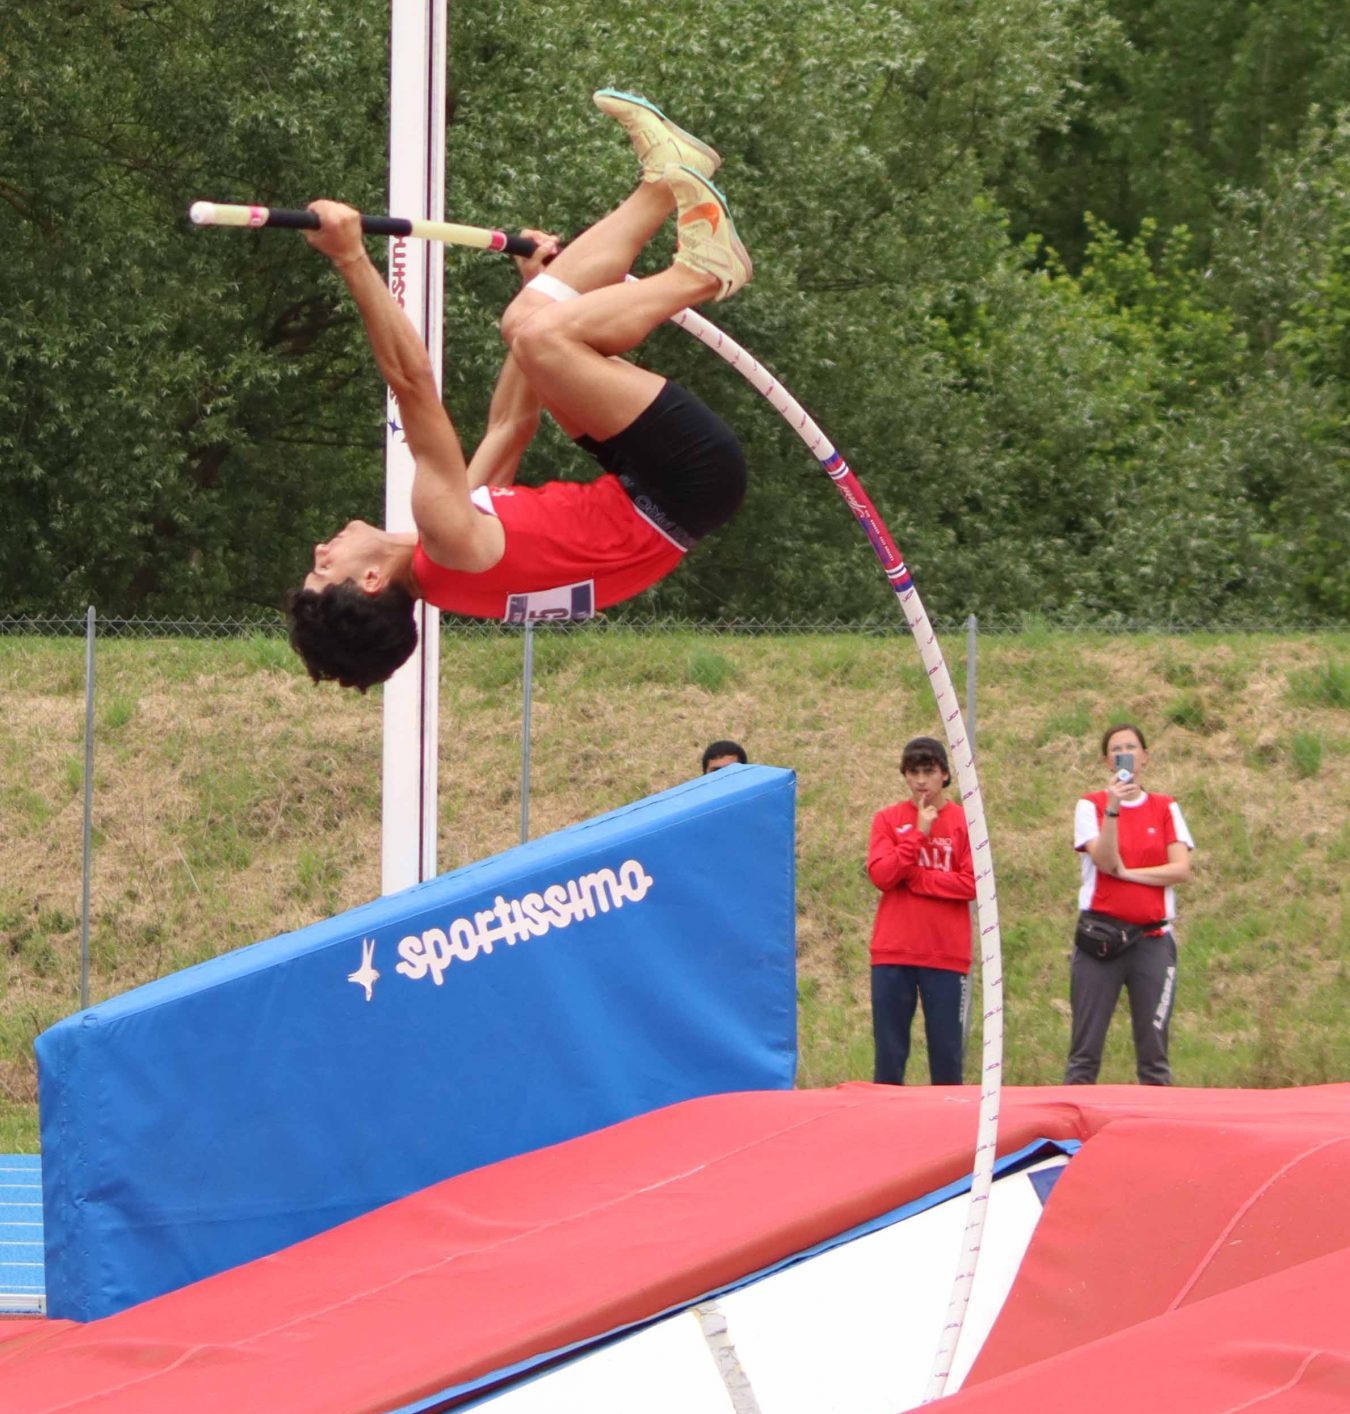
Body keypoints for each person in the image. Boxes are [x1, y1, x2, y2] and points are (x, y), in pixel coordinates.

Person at [286, 90, 753, 689]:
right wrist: (351, 258)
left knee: (527, 324)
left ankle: (667, 180)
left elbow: (511, 426)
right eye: (324, 571)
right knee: (541, 337)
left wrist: (543, 287)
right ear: (371, 582)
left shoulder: (453, 560)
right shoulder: (446, 535)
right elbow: (412, 383)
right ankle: (703, 275)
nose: (320, 552)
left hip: (659, 490)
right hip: (685, 480)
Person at [1064, 722, 1195, 1085]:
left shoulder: (1165, 807)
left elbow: (1180, 869)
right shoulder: (1090, 805)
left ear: (1145, 757)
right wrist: (1113, 809)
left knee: (1154, 1057)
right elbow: (1106, 862)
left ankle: (1156, 1117)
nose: (1125, 754)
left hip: (1152, 940)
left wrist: (1130, 874)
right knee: (1084, 1054)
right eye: (1117, 749)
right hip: (1100, 939)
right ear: (1107, 761)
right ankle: (1073, 1119)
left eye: (1132, 747)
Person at [865, 736, 974, 1085]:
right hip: (893, 953)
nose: (921, 781)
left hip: (945, 954)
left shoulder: (966, 822)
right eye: (913, 773)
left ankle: (949, 1119)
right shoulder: (887, 819)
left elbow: (972, 884)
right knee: (889, 1057)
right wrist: (916, 836)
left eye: (929, 772)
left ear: (944, 775)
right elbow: (882, 875)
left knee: (947, 1057)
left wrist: (916, 878)